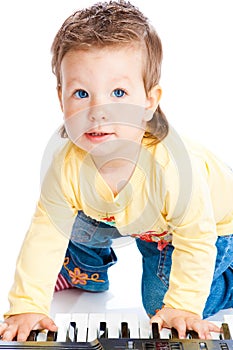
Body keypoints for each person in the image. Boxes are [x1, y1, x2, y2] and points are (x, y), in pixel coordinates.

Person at [1, 0, 233, 342]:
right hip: (138, 221)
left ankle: (226, 284)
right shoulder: (68, 163)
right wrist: (27, 304)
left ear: (149, 101)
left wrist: (183, 306)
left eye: (118, 92)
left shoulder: (172, 168)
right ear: (60, 97)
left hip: (208, 229)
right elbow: (46, 231)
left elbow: (195, 239)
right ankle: (86, 272)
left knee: (159, 304)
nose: (98, 111)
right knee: (71, 213)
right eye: (81, 93)